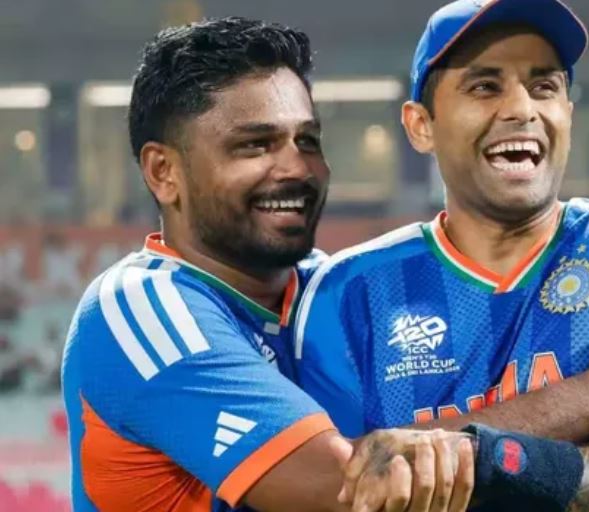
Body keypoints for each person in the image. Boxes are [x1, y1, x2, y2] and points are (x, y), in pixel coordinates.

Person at [298, 0, 589, 510]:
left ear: (568, 114)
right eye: (485, 86)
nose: (522, 109)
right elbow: (345, 487)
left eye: (544, 86)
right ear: (421, 125)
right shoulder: (345, 292)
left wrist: (464, 455)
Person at [61, 18, 475, 512]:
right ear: (163, 172)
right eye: (255, 145)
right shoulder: (136, 307)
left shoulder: (333, 288)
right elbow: (357, 489)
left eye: (308, 141)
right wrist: (561, 420)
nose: (298, 168)